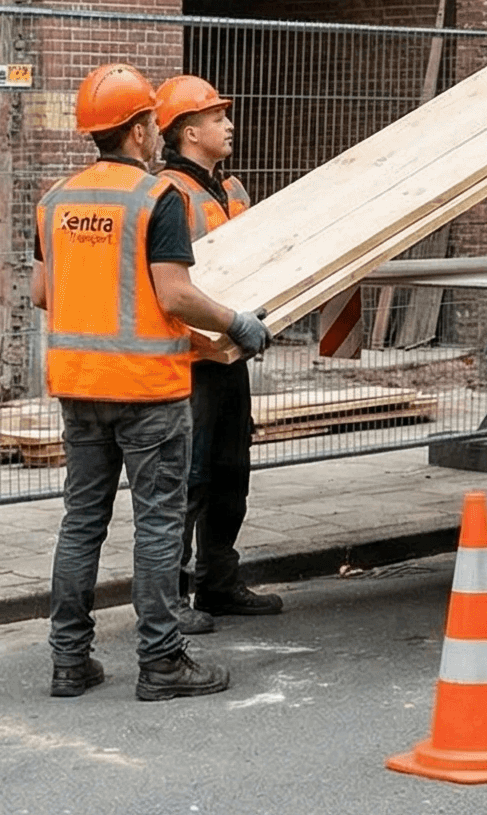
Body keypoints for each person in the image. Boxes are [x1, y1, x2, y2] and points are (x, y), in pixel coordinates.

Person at [37, 63, 271, 702]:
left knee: (82, 523)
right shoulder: (155, 199)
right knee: (159, 525)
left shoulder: (55, 199)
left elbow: (40, 291)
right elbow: (175, 294)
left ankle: (68, 662)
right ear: (141, 129)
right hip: (148, 391)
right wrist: (237, 325)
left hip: (80, 388)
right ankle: (162, 663)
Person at [153, 74, 286, 631]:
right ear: (187, 132)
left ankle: (218, 581)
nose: (228, 125)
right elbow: (173, 288)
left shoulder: (232, 192)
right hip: (189, 364)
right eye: (216, 117)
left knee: (232, 472)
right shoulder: (168, 195)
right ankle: (174, 594)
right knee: (190, 479)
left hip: (230, 358)